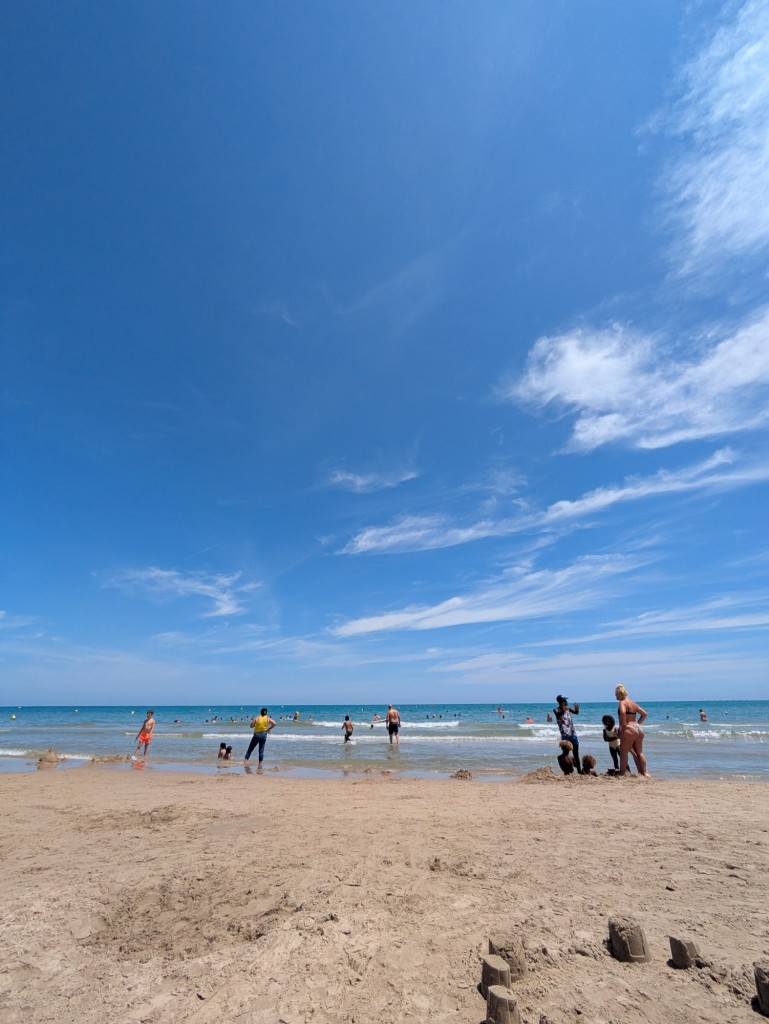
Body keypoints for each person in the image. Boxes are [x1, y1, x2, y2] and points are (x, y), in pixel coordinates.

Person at [615, 685, 649, 777]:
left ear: (620, 694)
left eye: (616, 694)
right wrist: (637, 723)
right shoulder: (633, 703)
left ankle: (622, 773)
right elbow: (645, 714)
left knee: (623, 752)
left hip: (629, 728)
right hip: (638, 728)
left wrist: (623, 726)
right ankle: (644, 773)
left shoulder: (622, 702)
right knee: (640, 752)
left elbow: (622, 713)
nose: (615, 697)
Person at [554, 695, 581, 773]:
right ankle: (567, 771)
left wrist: (577, 710)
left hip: (573, 734)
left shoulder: (568, 709)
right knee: (565, 754)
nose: (567, 702)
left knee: (576, 754)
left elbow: (576, 713)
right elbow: (559, 714)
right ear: (561, 702)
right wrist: (564, 709)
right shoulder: (556, 710)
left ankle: (579, 771)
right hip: (565, 735)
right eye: (565, 701)